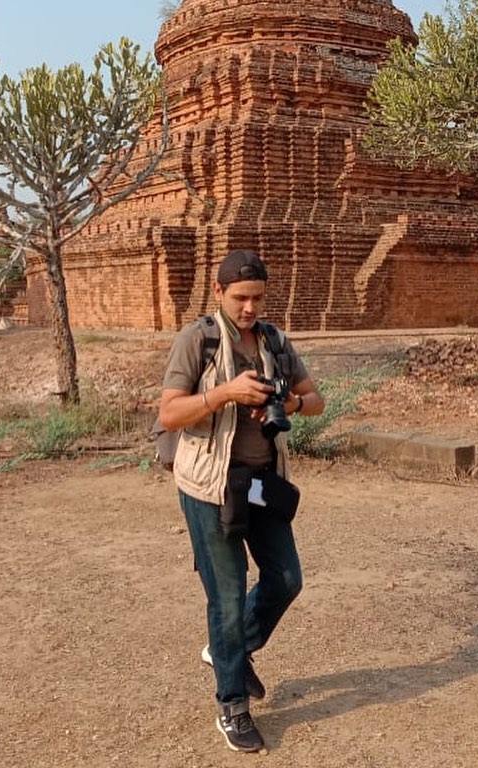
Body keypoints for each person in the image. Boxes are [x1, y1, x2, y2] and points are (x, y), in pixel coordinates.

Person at [158, 249, 325, 753]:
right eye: (240, 298)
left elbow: (315, 400)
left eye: (257, 298)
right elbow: (169, 413)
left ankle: (230, 649)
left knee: (287, 578)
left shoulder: (273, 340)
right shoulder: (198, 339)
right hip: (210, 487)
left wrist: (288, 400)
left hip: (261, 483)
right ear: (219, 293)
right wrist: (225, 393)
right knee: (227, 597)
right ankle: (233, 706)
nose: (249, 308)